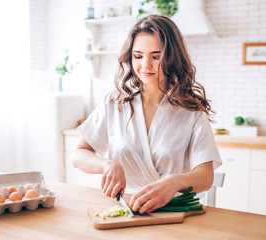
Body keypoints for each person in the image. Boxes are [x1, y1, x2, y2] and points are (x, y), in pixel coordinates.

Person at [72, 15, 222, 214]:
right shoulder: (115, 101)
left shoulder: (191, 110)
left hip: (171, 212)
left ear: (171, 57)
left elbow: (205, 177)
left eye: (156, 56)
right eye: (138, 55)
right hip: (123, 209)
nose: (145, 65)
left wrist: (175, 183)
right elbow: (79, 154)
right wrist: (107, 165)